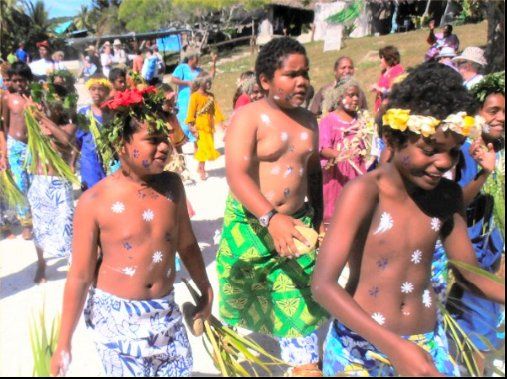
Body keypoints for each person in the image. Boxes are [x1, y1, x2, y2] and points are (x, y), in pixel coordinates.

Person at [311, 62, 505, 376]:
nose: (443, 162)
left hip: (426, 345)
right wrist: (393, 346)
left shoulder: (447, 196)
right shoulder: (365, 193)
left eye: (454, 151)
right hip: (361, 350)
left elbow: (471, 275)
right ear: (393, 136)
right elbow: (323, 285)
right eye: (430, 148)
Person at [50, 86, 213, 377]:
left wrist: (206, 288)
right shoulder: (94, 201)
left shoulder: (172, 187)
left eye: (165, 139)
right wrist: (64, 342)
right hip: (117, 319)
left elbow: (187, 246)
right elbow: (80, 275)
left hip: (165, 312)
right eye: (152, 140)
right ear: (122, 144)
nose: (164, 146)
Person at [216, 37, 328, 376]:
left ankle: (304, 364)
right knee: (235, 305)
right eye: (291, 74)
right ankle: (224, 343)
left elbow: (313, 171)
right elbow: (236, 174)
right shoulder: (248, 117)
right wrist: (270, 217)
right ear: (265, 81)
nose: (302, 81)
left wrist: (320, 217)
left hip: (294, 229)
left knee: (300, 309)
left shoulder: (310, 121)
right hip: (249, 228)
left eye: (305, 73)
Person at [445, 72, 505, 376]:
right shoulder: (464, 152)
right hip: (466, 254)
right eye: (492, 111)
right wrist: (483, 173)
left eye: (505, 112)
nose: (500, 118)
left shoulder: (496, 149)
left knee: (485, 326)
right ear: (475, 113)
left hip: (491, 249)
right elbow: (455, 202)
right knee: (474, 328)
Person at [26, 72, 78, 283]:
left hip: (59, 183)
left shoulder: (69, 125)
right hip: (39, 181)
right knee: (39, 225)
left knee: (67, 223)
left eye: (57, 105)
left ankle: (73, 263)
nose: (52, 107)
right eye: (49, 104)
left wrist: (42, 117)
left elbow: (65, 139)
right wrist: (35, 113)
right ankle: (41, 263)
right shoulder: (38, 125)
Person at [319, 78, 369, 226]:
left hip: (356, 174)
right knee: (337, 213)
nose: (355, 99)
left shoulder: (360, 121)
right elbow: (323, 148)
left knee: (357, 212)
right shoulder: (329, 121)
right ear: (339, 96)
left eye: (357, 95)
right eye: (351, 95)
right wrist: (341, 155)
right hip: (336, 175)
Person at [1, 62, 34, 240]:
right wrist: (4, 151)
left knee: (35, 182)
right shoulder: (7, 99)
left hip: (33, 146)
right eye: (15, 80)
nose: (19, 84)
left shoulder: (34, 97)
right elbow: (4, 125)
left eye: (22, 80)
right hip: (15, 146)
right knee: (21, 185)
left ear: (27, 79)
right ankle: (26, 223)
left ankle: (38, 216)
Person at [75, 76, 113, 191]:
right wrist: (73, 161)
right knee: (92, 193)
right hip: (89, 161)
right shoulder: (84, 113)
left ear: (107, 91)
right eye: (93, 89)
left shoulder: (112, 114)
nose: (97, 93)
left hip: (109, 160)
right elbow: (77, 140)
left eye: (101, 89)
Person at [171, 51, 217, 145]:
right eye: (197, 59)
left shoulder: (199, 71)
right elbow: (173, 79)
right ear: (191, 59)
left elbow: (210, 77)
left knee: (195, 121)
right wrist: (186, 83)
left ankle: (195, 144)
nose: (198, 61)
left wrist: (213, 63)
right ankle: (180, 143)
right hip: (184, 101)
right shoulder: (182, 68)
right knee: (184, 122)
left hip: (197, 100)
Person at [186, 72, 225, 180]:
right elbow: (190, 114)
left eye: (210, 82)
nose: (209, 84)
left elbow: (216, 111)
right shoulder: (194, 97)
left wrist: (221, 124)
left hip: (209, 127)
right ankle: (202, 170)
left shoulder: (211, 96)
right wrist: (191, 127)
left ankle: (200, 166)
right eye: (207, 82)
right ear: (201, 82)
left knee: (208, 148)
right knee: (203, 149)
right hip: (200, 128)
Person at [371, 45, 405, 113]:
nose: (380, 60)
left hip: (391, 108)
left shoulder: (397, 70)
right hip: (381, 107)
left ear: (389, 58)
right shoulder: (384, 72)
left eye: (382, 58)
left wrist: (379, 88)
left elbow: (394, 90)